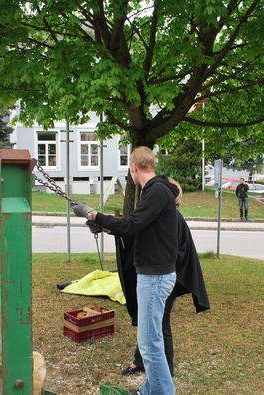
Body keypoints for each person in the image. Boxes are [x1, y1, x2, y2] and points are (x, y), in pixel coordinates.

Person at [71, 146, 178, 395]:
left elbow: (132, 225)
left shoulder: (156, 191)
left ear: (134, 167)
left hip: (155, 277)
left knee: (149, 343)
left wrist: (93, 213)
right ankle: (149, 390)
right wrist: (104, 226)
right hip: (154, 274)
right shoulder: (156, 191)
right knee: (153, 340)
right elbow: (138, 229)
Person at [118, 178, 210, 379]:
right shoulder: (161, 215)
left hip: (165, 278)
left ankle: (166, 370)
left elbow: (178, 253)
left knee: (161, 323)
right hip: (156, 276)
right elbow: (136, 230)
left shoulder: (173, 218)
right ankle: (140, 361)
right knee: (149, 322)